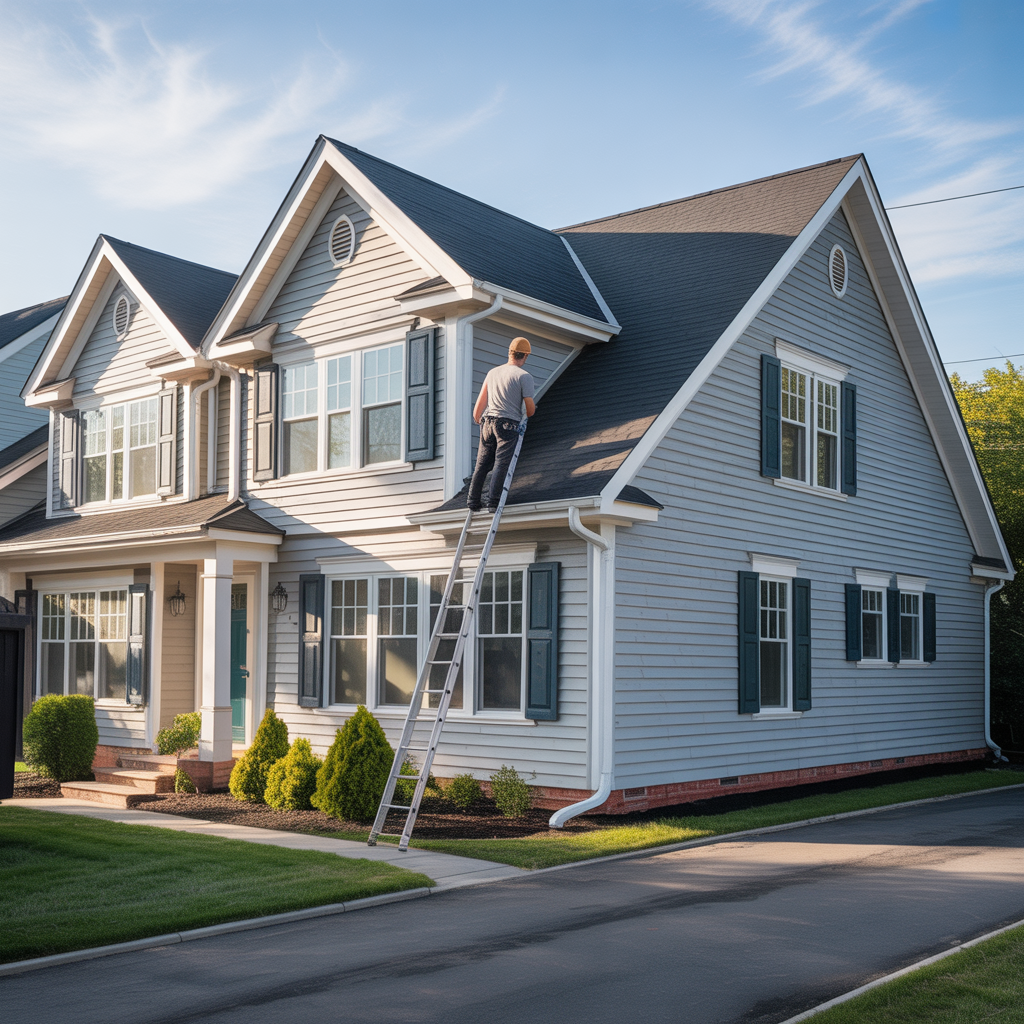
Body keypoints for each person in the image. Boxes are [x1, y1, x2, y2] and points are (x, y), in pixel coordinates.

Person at [467, 336, 536, 513]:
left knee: (482, 464)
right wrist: (530, 407)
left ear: (510, 353)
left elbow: (478, 410)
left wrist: (480, 420)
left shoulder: (493, 373)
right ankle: (493, 502)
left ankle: (473, 500)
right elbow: (530, 411)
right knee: (501, 463)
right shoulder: (524, 376)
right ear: (525, 356)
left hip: (487, 422)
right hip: (507, 425)